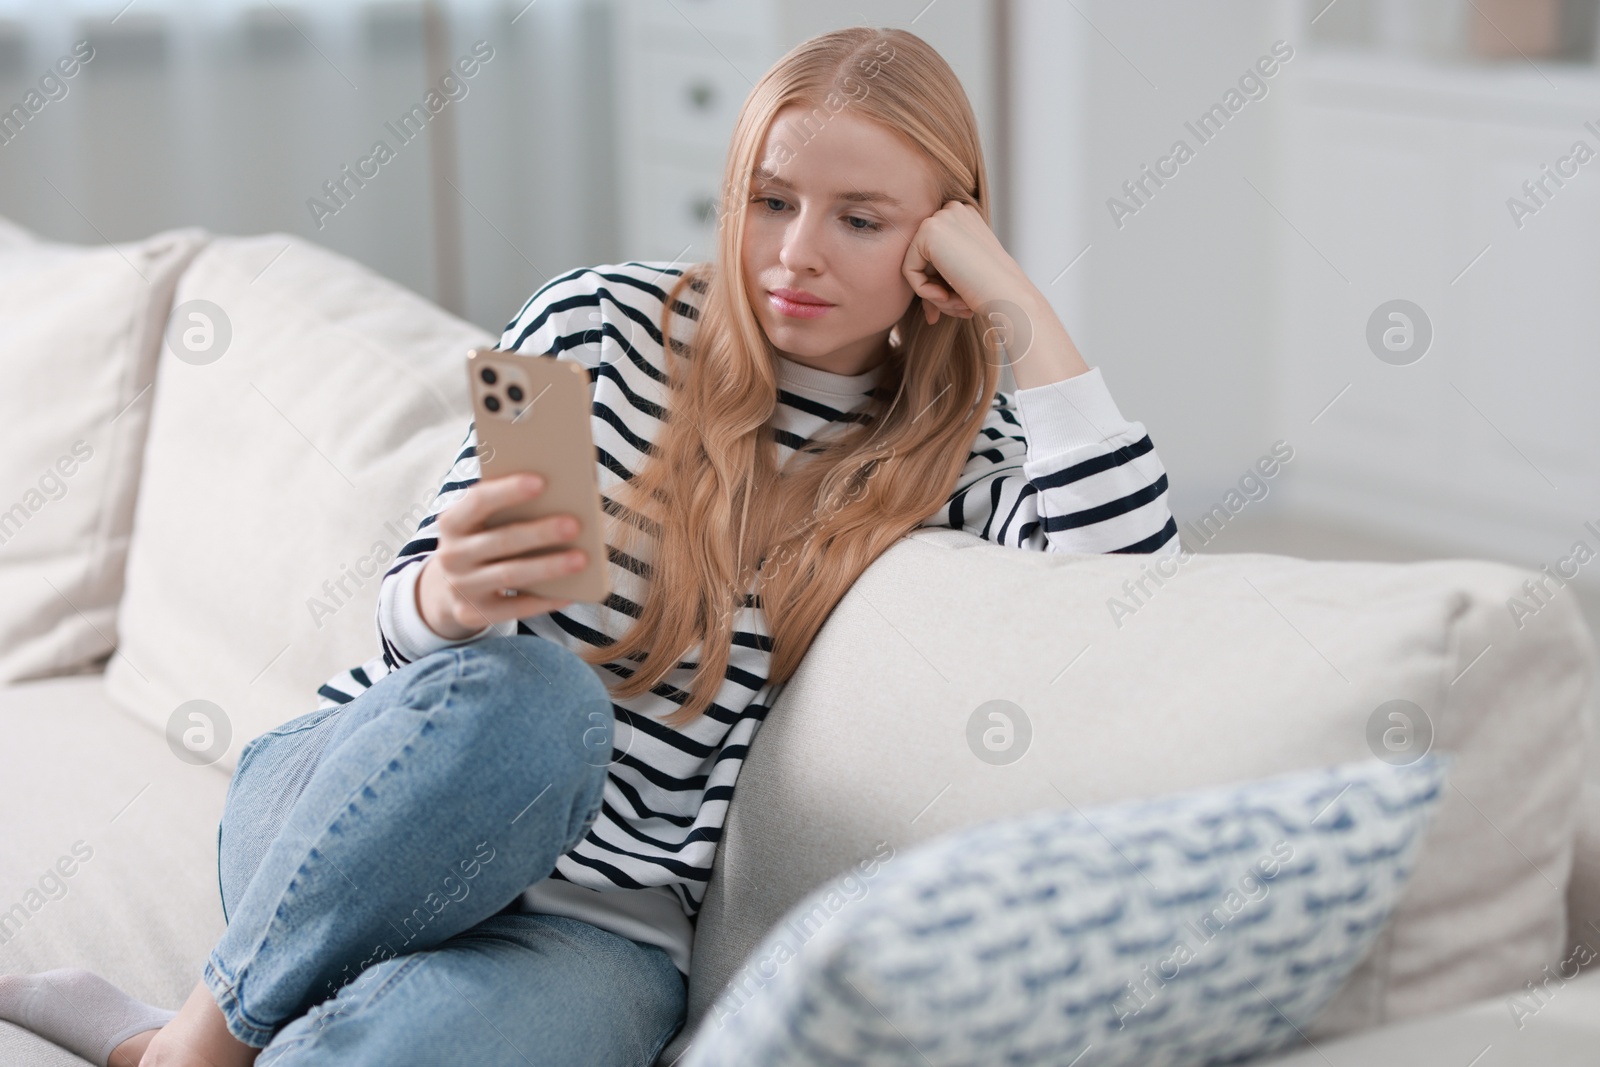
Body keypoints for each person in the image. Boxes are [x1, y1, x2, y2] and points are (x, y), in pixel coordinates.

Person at [0, 24, 1176, 1067]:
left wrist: (1016, 299)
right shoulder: (595, 320)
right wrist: (449, 601)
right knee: (538, 700)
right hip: (354, 821)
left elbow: (1131, 585)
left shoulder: (963, 463)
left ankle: (155, 1030)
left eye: (859, 219)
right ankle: (202, 1036)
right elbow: (415, 648)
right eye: (769, 201)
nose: (794, 253)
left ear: (938, 246)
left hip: (595, 928)